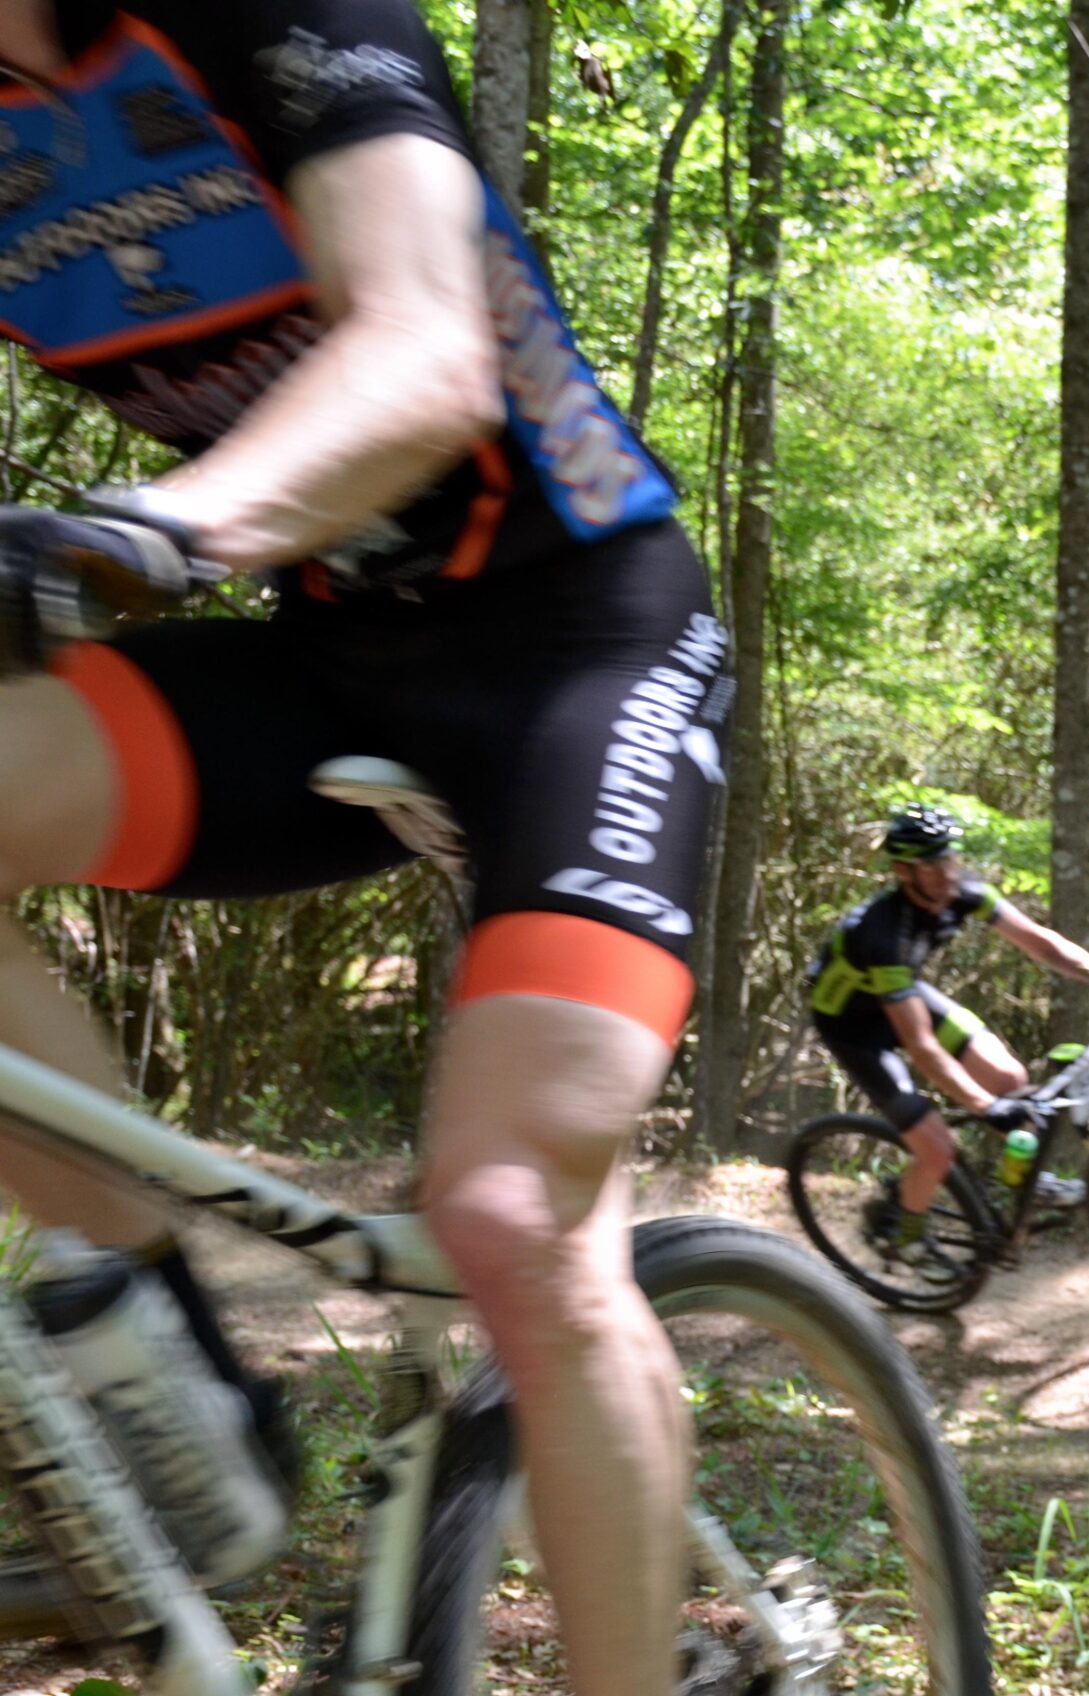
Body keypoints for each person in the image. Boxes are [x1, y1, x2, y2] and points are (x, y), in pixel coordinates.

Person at [0, 3, 722, 1690]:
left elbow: (424, 354)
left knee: (511, 1216)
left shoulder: (274, 17)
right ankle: (160, 1379)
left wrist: (151, 529)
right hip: (324, 652)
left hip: (583, 647)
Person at [806, 803, 1089, 1276]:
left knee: (1011, 1077)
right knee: (938, 1147)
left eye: (949, 857)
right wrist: (984, 1107)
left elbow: (1040, 943)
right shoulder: (881, 934)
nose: (948, 871)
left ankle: (1018, 1178)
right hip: (853, 1028)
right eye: (933, 863)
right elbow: (921, 1046)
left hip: (900, 998)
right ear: (905, 872)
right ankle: (903, 1235)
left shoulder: (961, 889)